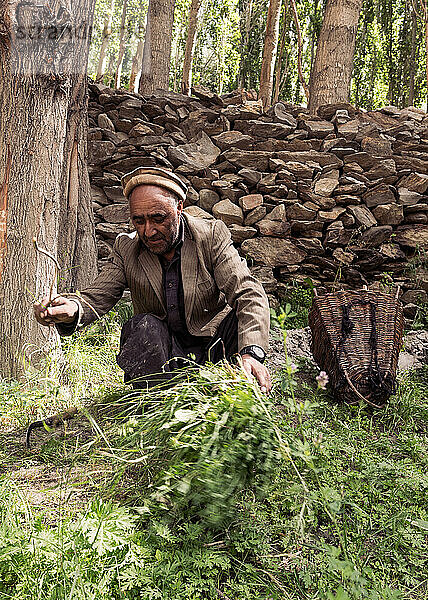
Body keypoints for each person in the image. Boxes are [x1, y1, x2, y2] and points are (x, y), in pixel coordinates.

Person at [34, 167, 272, 391]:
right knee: (141, 327)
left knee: (235, 318)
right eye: (139, 221)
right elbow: (97, 297)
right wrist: (72, 308)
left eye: (158, 218)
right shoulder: (126, 249)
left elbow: (247, 292)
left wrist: (251, 353)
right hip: (163, 356)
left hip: (215, 346)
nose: (148, 231)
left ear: (179, 207)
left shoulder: (210, 236)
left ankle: (239, 378)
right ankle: (157, 401)